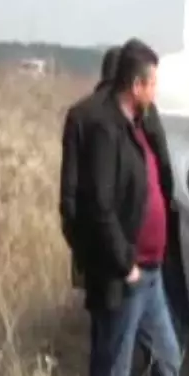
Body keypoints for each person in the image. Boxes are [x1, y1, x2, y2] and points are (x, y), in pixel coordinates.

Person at [72, 38, 184, 376]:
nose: (156, 91)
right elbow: (98, 207)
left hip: (153, 272)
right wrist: (126, 264)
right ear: (136, 85)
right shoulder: (105, 130)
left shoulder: (140, 125)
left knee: (169, 357)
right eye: (152, 83)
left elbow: (158, 184)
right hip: (131, 275)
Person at [60, 46, 121, 288]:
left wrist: (76, 241)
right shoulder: (128, 114)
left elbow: (68, 189)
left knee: (98, 313)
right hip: (121, 238)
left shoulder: (78, 114)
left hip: (86, 236)